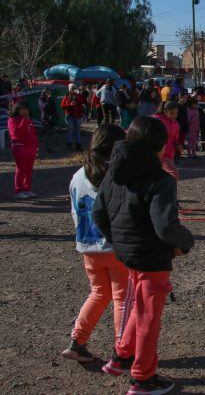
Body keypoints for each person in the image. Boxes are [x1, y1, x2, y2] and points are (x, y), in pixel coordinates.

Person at [93, 116, 194, 394]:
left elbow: (98, 214)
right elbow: (165, 226)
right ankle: (142, 377)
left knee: (139, 306)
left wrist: (120, 241)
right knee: (149, 315)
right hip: (151, 257)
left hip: (128, 255)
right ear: (159, 146)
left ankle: (121, 357)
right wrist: (186, 242)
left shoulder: (113, 171)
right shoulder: (160, 179)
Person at [63, 124, 128, 362]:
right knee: (122, 298)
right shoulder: (115, 175)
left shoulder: (78, 175)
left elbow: (73, 210)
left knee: (99, 293)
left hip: (87, 245)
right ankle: (123, 350)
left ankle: (77, 341)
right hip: (114, 247)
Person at [8, 101, 38, 199]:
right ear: (18, 110)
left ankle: (27, 188)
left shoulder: (28, 120)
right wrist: (24, 121)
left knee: (29, 170)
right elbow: (16, 133)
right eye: (23, 109)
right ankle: (18, 190)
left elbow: (33, 134)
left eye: (27, 109)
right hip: (19, 146)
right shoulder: (12, 120)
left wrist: (36, 146)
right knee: (21, 169)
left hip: (31, 147)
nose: (26, 111)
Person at [154, 101, 181, 179]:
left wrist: (178, 144)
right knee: (173, 174)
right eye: (172, 113)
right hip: (159, 152)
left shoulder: (175, 124)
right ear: (165, 112)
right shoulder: (157, 120)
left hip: (170, 153)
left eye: (176, 113)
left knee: (166, 175)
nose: (175, 115)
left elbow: (175, 138)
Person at [62, 83, 87, 153]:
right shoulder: (66, 97)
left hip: (78, 116)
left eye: (74, 88)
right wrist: (70, 104)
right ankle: (69, 146)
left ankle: (78, 146)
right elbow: (62, 105)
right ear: (69, 89)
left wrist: (78, 98)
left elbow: (83, 102)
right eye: (72, 88)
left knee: (77, 131)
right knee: (70, 131)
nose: (73, 90)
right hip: (70, 116)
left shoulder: (78, 96)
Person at [39, 88, 57, 154]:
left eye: (50, 92)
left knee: (51, 134)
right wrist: (49, 99)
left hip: (51, 119)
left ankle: (49, 148)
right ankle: (47, 148)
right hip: (45, 119)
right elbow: (45, 107)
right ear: (45, 92)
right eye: (48, 92)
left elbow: (53, 108)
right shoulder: (41, 99)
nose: (49, 94)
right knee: (48, 134)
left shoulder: (50, 99)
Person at [175, 94, 189, 161]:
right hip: (178, 128)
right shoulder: (177, 106)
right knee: (178, 142)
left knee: (181, 142)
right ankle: (176, 156)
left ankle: (178, 155)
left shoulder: (184, 106)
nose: (186, 99)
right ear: (180, 98)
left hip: (183, 127)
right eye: (185, 97)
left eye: (186, 98)